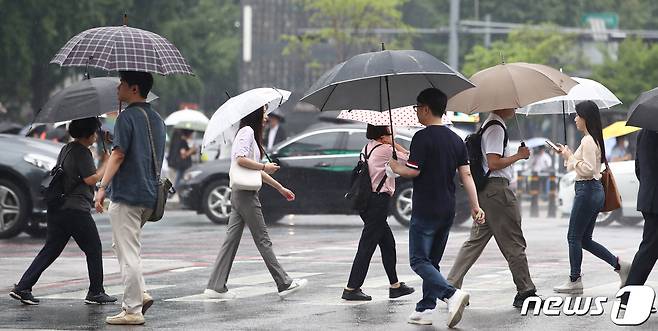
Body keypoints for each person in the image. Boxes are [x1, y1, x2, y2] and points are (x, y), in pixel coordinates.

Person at [389, 88, 485, 327]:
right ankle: (425, 308)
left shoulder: (422, 137)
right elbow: (466, 175)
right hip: (448, 207)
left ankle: (450, 294)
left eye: (416, 108)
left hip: (426, 207)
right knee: (432, 261)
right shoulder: (455, 139)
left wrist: (395, 167)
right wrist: (475, 206)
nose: (416, 113)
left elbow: (414, 170)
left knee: (419, 260)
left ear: (425, 108)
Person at [9, 118, 116, 306]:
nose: (94, 137)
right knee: (94, 248)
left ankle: (23, 287)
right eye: (94, 134)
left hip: (58, 208)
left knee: (51, 249)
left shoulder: (66, 149)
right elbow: (91, 179)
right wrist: (106, 163)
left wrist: (102, 155)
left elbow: (81, 173)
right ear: (89, 134)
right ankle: (96, 291)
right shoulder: (82, 152)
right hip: (75, 210)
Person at [205, 105, 307, 300]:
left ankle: (215, 286)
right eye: (264, 112)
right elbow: (241, 160)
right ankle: (284, 282)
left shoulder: (246, 132)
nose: (266, 117)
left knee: (231, 240)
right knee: (263, 239)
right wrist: (264, 165)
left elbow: (253, 169)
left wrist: (279, 187)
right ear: (255, 113)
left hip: (240, 192)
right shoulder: (247, 132)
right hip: (245, 195)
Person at [447, 107, 539, 309]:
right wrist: (519, 155)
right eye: (512, 104)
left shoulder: (489, 124)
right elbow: (494, 162)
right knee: (514, 241)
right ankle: (526, 291)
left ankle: (449, 288)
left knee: (475, 242)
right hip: (497, 193)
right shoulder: (496, 127)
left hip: (487, 193)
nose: (515, 108)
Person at [95, 71, 166, 325]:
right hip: (148, 195)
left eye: (122, 84)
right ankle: (141, 294)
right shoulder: (157, 119)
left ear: (134, 89)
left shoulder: (126, 118)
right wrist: (115, 141)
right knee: (127, 248)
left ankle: (133, 310)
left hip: (127, 193)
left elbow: (119, 156)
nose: (118, 88)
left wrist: (102, 187)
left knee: (127, 252)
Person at [553, 101, 630, 294]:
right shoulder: (592, 138)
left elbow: (587, 169)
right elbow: (583, 164)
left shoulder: (587, 140)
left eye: (578, 115)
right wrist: (567, 154)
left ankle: (574, 279)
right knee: (584, 239)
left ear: (585, 117)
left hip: (587, 190)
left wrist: (570, 157)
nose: (575, 118)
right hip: (592, 190)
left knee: (573, 237)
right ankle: (620, 266)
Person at [342, 124, 415, 301]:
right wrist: (395, 144)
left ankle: (395, 285)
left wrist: (391, 141)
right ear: (383, 135)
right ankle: (351, 288)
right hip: (377, 202)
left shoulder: (367, 147)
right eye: (391, 131)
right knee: (367, 245)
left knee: (388, 244)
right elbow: (409, 160)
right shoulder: (385, 150)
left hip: (367, 200)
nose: (394, 133)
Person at [624, 129, 658, 290]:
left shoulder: (643, 132)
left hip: (648, 197)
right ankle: (628, 295)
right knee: (649, 250)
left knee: (649, 248)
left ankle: (629, 295)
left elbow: (638, 168)